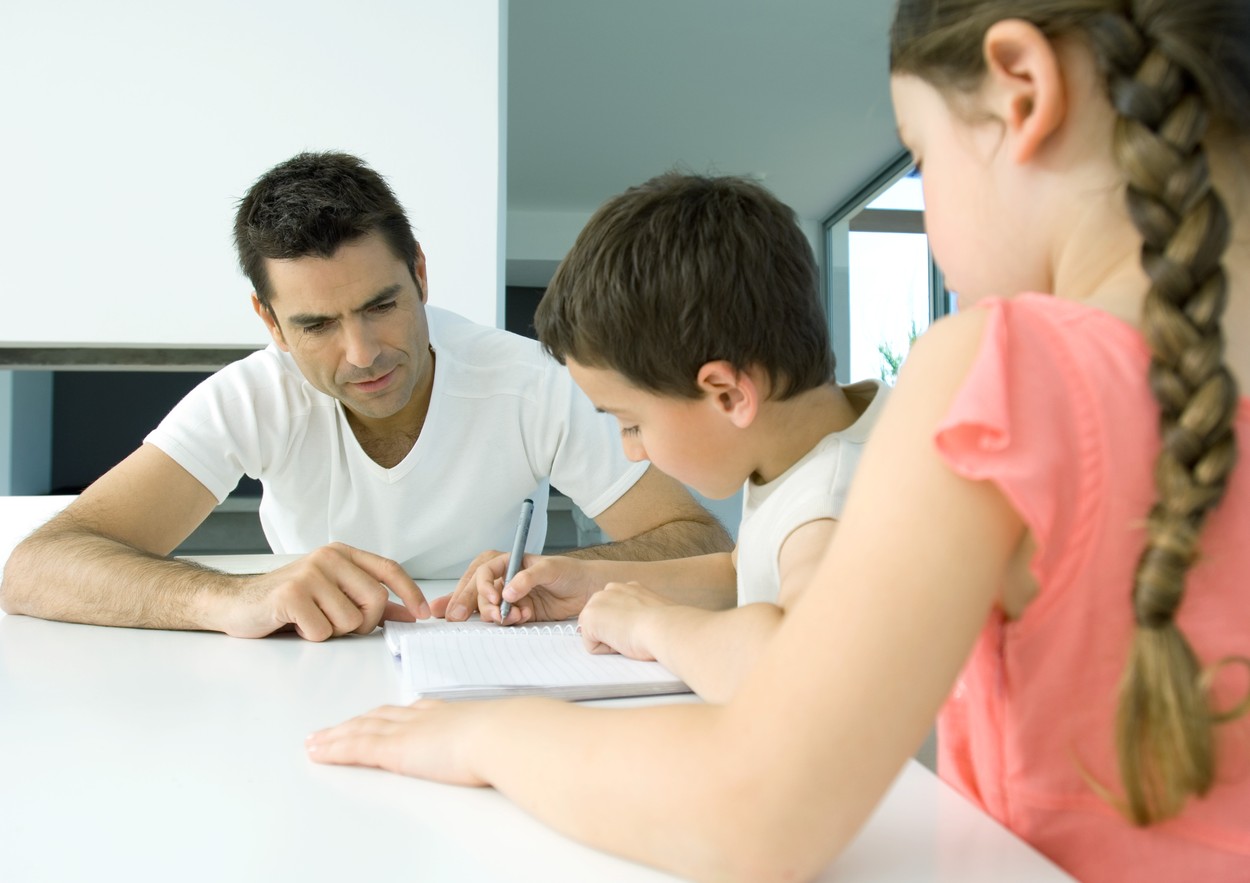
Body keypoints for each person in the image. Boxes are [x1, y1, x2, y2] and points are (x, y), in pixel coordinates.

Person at [305, 1, 1250, 879]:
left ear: (1022, 88)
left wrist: (487, 737)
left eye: (920, 155)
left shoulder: (999, 370)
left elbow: (754, 809)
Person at [0, 152, 731, 642]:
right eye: (316, 324)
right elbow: (37, 565)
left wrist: (575, 571)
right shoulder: (258, 393)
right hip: (298, 674)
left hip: (491, 664)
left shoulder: (528, 380)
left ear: (419, 272)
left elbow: (698, 539)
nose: (363, 354)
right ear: (270, 322)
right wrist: (231, 596)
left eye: (381, 305)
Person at [441, 172, 887, 703]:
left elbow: (795, 671)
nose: (631, 450)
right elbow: (741, 570)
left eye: (631, 423)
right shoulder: (810, 443)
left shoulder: (828, 505)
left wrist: (654, 625)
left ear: (728, 395)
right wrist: (586, 582)